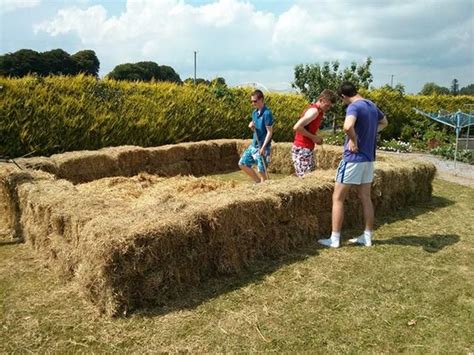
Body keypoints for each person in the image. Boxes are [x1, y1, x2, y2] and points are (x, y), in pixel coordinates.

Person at [318, 81, 388, 248]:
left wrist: (354, 139)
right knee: (366, 198)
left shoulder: (354, 106)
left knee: (338, 198)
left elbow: (347, 126)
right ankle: (367, 236)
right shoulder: (371, 105)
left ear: (343, 96)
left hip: (353, 159)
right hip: (369, 160)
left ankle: (334, 239)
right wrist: (369, 133)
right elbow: (385, 122)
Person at [292, 89, 337, 177]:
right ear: (321, 100)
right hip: (302, 149)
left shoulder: (318, 112)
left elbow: (307, 128)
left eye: (329, 107)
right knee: (305, 179)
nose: (328, 109)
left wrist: (315, 137)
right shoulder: (314, 112)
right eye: (327, 106)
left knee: (309, 177)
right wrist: (313, 137)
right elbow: (297, 127)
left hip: (306, 148)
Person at [239, 89, 274, 183]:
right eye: (252, 101)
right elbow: (256, 128)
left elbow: (269, 132)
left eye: (255, 101)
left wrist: (263, 147)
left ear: (261, 99)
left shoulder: (267, 113)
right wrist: (252, 126)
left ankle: (264, 187)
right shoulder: (254, 113)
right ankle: (258, 182)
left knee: (262, 171)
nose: (253, 103)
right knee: (242, 163)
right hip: (254, 145)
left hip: (263, 147)